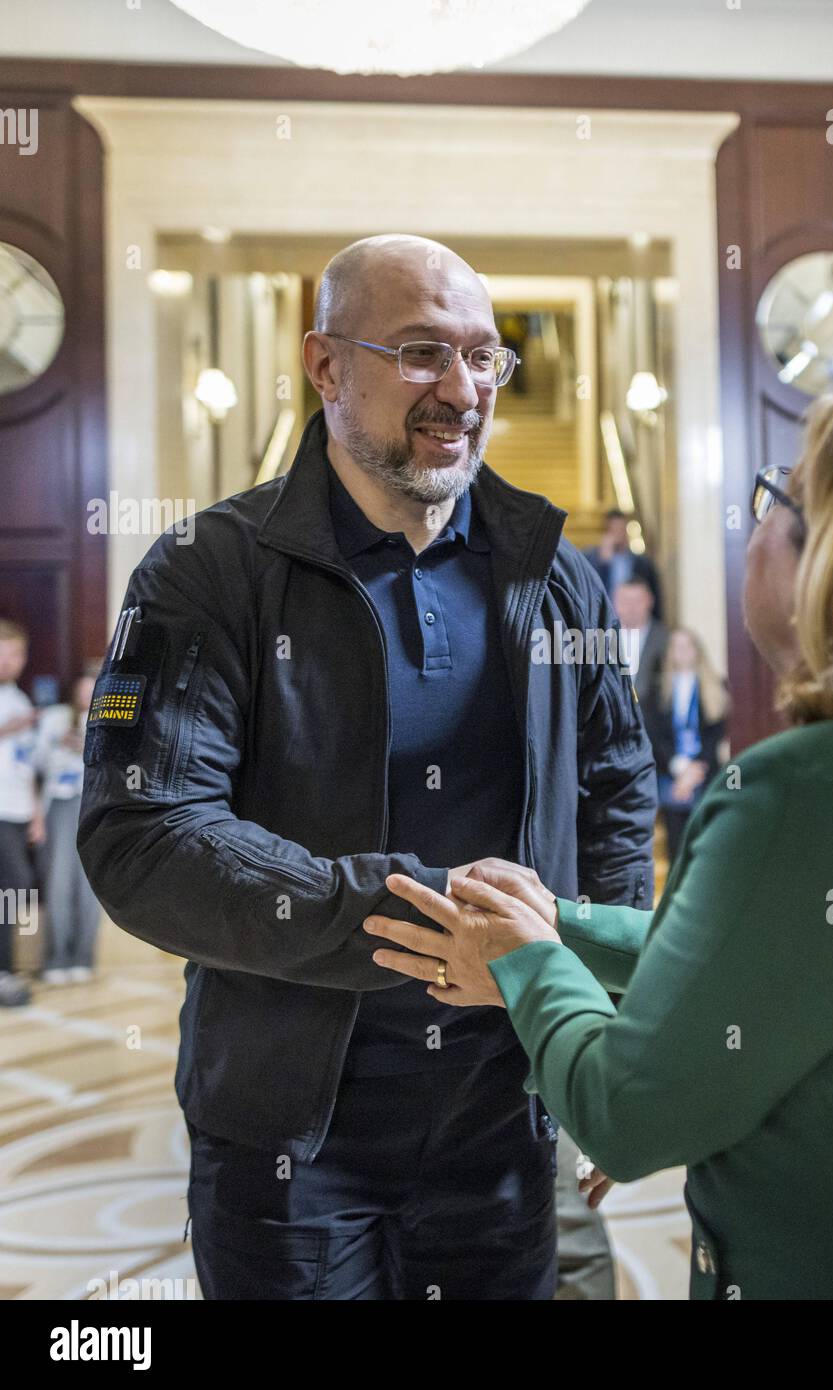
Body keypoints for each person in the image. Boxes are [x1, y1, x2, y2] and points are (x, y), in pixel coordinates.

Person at [367, 381, 833, 1300]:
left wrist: (524, 966)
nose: (754, 522)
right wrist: (562, 924)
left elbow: (628, 1112)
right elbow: (777, 963)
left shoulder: (802, 797)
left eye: (779, 497)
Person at [78, 234, 656, 1301]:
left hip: (503, 1120)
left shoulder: (553, 573)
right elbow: (141, 833)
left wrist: (608, 1023)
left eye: (485, 357)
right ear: (325, 364)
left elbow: (615, 786)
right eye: (423, 352)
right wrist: (420, 917)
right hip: (289, 1136)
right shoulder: (207, 570)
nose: (463, 388)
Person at [36, 668, 101, 984]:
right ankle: (56, 959)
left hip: (93, 805)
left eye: (92, 690)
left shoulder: (109, 719)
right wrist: (60, 746)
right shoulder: (54, 718)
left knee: (89, 886)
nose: (85, 697)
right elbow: (34, 762)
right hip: (61, 803)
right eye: (82, 690)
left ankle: (82, 958)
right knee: (58, 882)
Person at [644, 627, 728, 862]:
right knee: (676, 837)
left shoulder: (716, 688)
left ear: (697, 651)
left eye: (687, 646)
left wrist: (695, 771)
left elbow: (715, 735)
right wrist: (679, 768)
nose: (681, 652)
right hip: (670, 770)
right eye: (676, 646)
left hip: (704, 771)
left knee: (703, 833)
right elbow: (655, 735)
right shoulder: (658, 690)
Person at [0, 618, 40, 1008]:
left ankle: (6, 969)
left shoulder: (19, 699)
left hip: (14, 812)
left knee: (14, 888)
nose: (15, 661)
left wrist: (35, 813)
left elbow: (25, 763)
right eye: (7, 652)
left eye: (19, 653)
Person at [584, 509, 662, 618]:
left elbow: (655, 599)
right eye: (614, 530)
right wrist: (603, 563)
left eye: (621, 529)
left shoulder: (643, 563)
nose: (618, 535)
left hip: (634, 621)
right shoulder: (591, 560)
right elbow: (589, 591)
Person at [612, 577, 667, 708]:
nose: (631, 607)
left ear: (650, 601)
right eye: (625, 601)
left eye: (637, 601)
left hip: (651, 722)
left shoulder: (664, 639)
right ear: (614, 602)